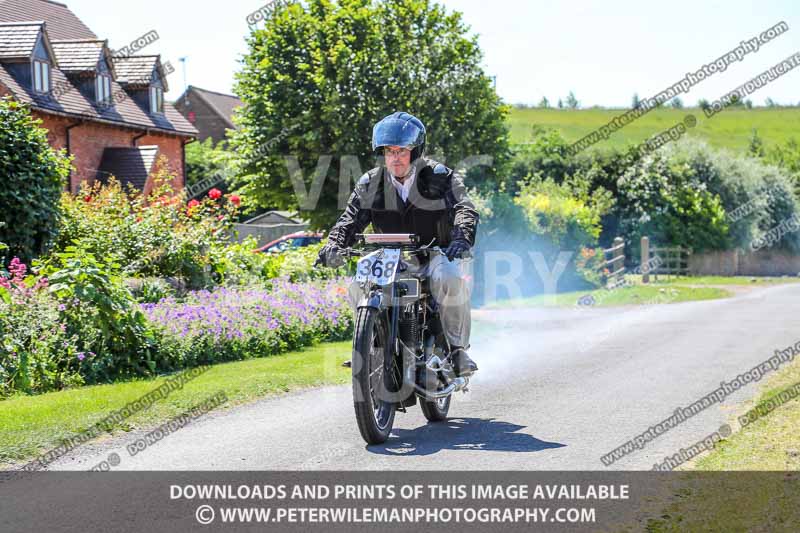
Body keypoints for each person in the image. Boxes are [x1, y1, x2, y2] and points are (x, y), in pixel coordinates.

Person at [316, 112, 479, 376]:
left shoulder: (440, 176)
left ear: (416, 152)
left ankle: (458, 351)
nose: (395, 157)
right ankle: (369, 344)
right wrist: (333, 244)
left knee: (449, 278)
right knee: (358, 283)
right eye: (389, 151)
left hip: (434, 253)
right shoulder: (371, 182)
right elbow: (350, 219)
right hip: (391, 257)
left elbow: (464, 208)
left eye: (402, 151)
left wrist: (461, 237)